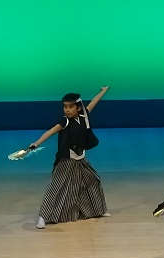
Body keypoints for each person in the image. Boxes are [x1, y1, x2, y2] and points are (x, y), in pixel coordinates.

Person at [24, 86, 110, 228]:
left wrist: (103, 91)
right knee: (56, 187)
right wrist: (37, 142)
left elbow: (93, 103)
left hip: (80, 159)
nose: (67, 110)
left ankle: (97, 210)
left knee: (93, 180)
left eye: (71, 107)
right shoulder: (65, 121)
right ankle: (42, 217)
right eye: (65, 107)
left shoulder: (84, 117)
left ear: (78, 108)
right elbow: (50, 131)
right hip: (65, 160)